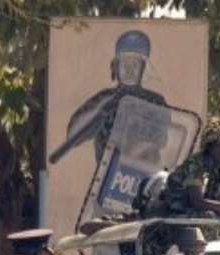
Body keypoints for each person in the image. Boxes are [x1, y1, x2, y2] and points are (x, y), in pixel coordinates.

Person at [49, 30, 167, 167]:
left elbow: (163, 140)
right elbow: (73, 134)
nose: (129, 70)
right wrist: (102, 108)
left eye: (135, 64)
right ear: (116, 66)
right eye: (125, 64)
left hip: (143, 178)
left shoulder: (156, 101)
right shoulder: (105, 97)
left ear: (143, 68)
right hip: (107, 178)